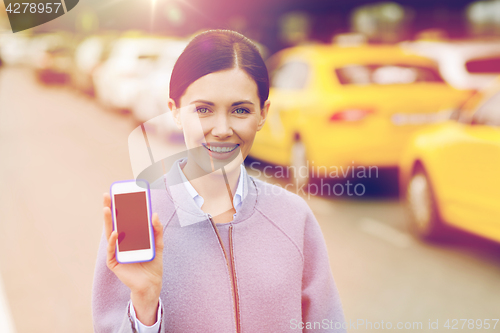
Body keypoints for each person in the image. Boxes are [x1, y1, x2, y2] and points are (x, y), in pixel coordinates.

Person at [92, 29, 346, 333]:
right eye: (203, 110)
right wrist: (144, 304)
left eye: (240, 110)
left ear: (263, 114)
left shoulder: (293, 216)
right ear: (174, 111)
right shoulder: (139, 220)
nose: (222, 129)